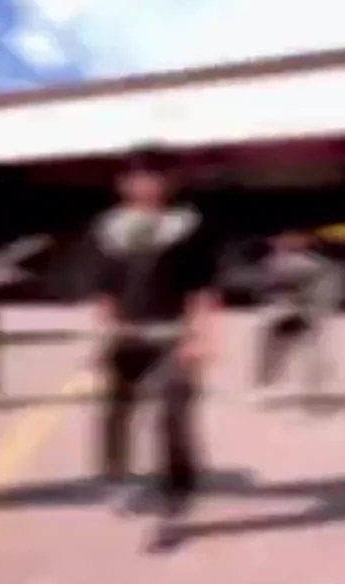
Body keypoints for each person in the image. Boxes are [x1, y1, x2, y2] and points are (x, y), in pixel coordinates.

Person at [88, 146, 219, 552]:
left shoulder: (188, 227)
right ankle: (117, 480)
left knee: (173, 417)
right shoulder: (108, 229)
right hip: (125, 336)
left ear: (170, 181)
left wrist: (200, 338)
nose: (146, 185)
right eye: (138, 177)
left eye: (155, 176)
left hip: (172, 335)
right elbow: (104, 289)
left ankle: (173, 504)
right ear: (123, 183)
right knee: (115, 410)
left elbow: (203, 288)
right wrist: (105, 334)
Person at [253, 230, 342, 412]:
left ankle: (269, 386)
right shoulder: (315, 264)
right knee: (307, 351)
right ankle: (314, 388)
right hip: (298, 310)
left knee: (286, 350)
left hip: (295, 310)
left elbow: (274, 283)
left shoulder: (296, 264)